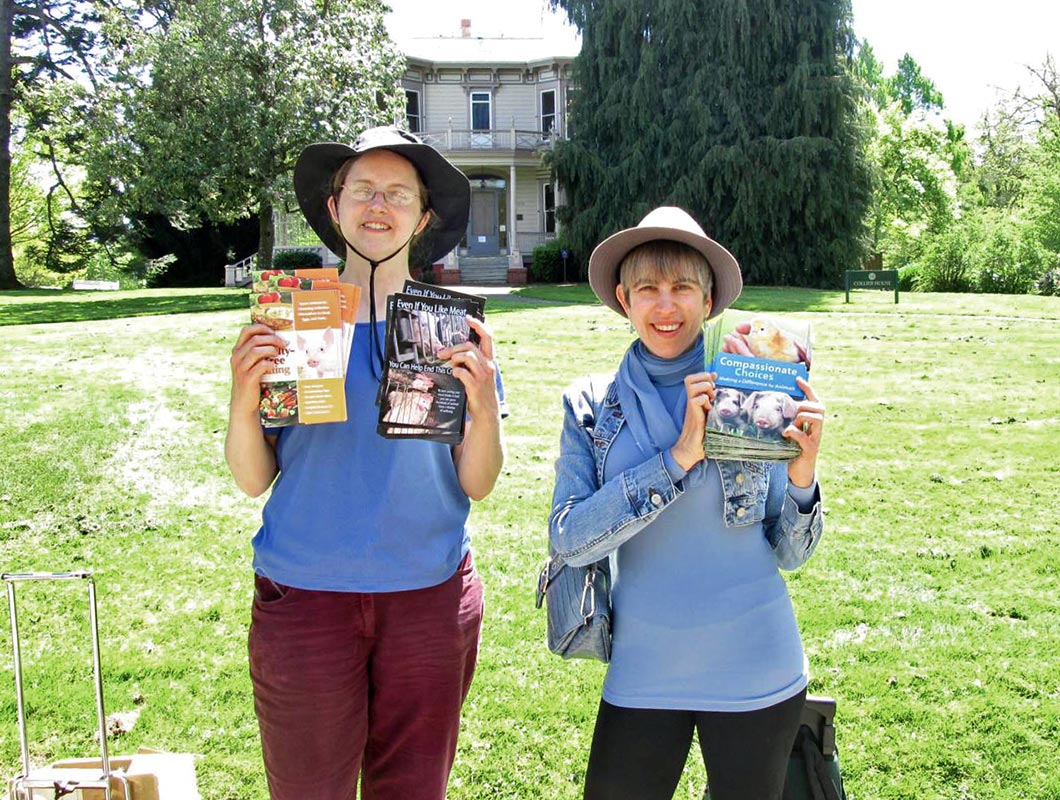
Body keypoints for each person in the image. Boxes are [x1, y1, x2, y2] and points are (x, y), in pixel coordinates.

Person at [225, 127, 504, 800]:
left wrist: (485, 402)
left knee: (412, 789)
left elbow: (478, 483)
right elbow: (253, 477)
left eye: (399, 195)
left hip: (427, 598)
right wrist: (242, 397)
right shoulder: (293, 320)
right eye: (363, 191)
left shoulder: (453, 331)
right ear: (334, 205)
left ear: (424, 215)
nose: (379, 207)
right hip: (306, 598)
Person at [548, 206, 826, 800]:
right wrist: (675, 460)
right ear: (624, 299)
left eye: (683, 288)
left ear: (710, 301)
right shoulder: (591, 406)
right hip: (643, 671)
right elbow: (569, 539)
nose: (665, 306)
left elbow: (790, 553)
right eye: (648, 288)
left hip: (758, 665)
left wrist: (802, 475)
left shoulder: (757, 388)